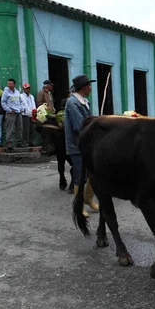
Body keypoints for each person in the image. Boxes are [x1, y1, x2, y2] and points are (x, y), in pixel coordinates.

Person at [64, 74, 98, 218]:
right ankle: (78, 206)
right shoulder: (72, 103)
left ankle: (88, 198)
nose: (91, 88)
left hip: (87, 144)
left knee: (92, 173)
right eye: (89, 85)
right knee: (79, 176)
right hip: (76, 145)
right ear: (84, 88)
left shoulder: (84, 101)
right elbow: (80, 126)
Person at [1, 78, 24, 151]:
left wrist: (21, 109)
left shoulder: (17, 92)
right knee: (10, 129)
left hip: (18, 113)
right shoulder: (5, 92)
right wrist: (9, 110)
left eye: (11, 83)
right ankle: (9, 144)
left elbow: (20, 101)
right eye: (8, 84)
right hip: (11, 113)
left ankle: (19, 142)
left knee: (20, 128)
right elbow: (3, 103)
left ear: (14, 84)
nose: (9, 85)